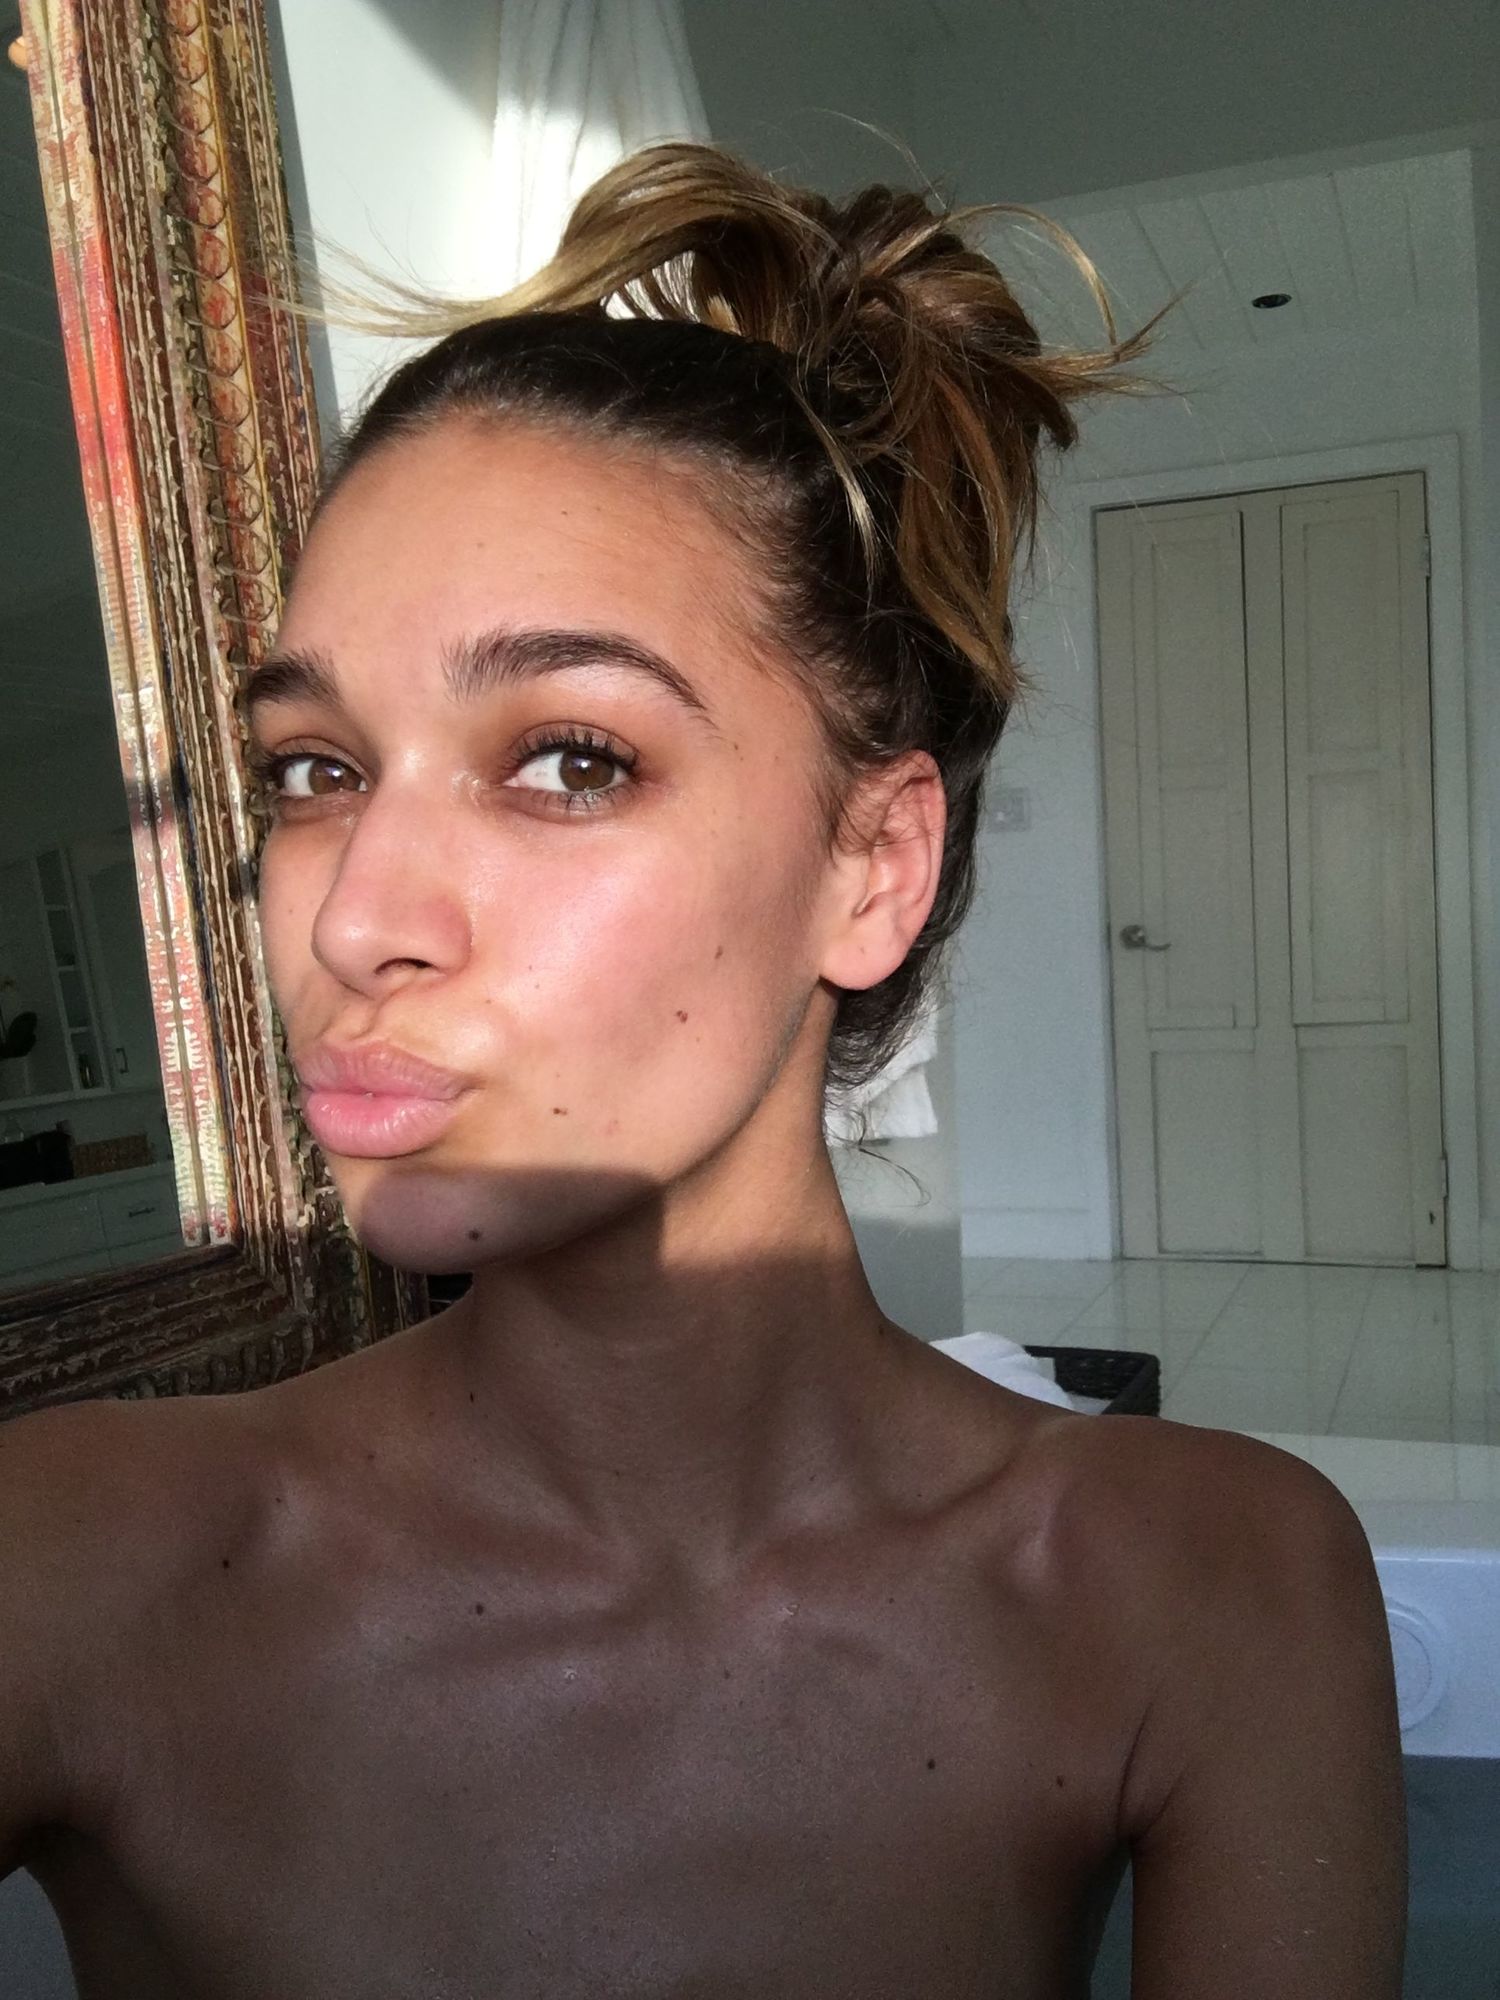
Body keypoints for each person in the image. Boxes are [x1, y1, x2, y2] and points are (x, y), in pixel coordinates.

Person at [1, 143, 1404, 1998]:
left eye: (570, 759)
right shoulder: (77, 1560)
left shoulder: (1212, 1582)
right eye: (314, 771)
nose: (354, 919)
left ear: (871, 866)